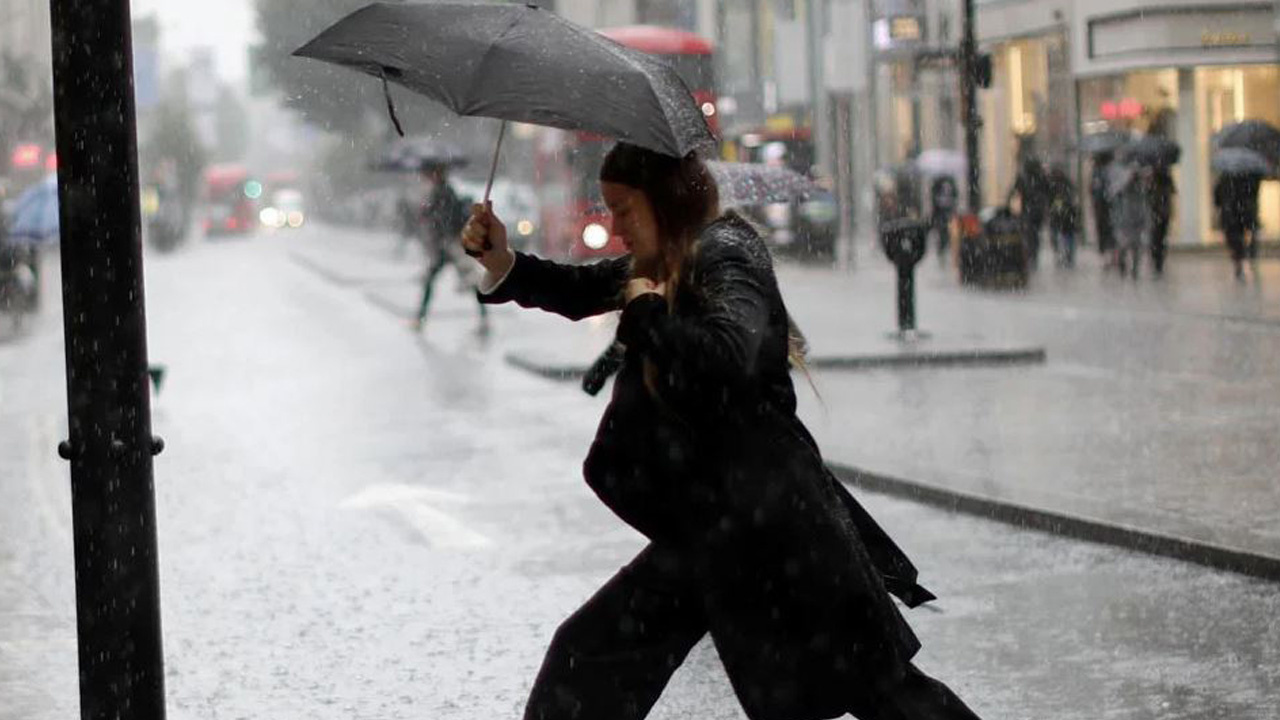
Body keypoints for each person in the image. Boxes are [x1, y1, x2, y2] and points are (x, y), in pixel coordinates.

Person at [460, 142, 982, 720]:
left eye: (624, 209)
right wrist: (502, 261)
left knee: (883, 690)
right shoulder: (669, 260)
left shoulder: (727, 254)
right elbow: (579, 287)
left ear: (665, 201)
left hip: (775, 529)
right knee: (587, 660)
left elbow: (728, 355)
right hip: (714, 523)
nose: (614, 227)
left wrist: (648, 317)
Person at [413, 162, 487, 333]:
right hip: (447, 246)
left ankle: (420, 319)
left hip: (451, 245)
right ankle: (420, 318)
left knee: (468, 281)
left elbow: (445, 217)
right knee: (434, 281)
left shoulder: (444, 191)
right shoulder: (442, 191)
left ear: (436, 174)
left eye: (429, 173)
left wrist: (430, 216)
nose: (427, 177)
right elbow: (439, 215)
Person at [1213, 172, 1262, 281]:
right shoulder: (1249, 178)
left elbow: (1217, 197)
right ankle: (1244, 255)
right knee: (1240, 235)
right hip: (1240, 213)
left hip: (1232, 214)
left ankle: (1240, 258)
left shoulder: (1225, 179)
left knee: (1234, 238)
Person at [1108, 158, 1150, 279]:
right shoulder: (1123, 186)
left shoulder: (1142, 187)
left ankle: (1135, 270)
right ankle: (1123, 264)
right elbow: (1114, 195)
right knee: (1124, 245)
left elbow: (1146, 202)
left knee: (1137, 247)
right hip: (1125, 220)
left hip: (1137, 220)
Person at [1007, 155, 1050, 267]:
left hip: (1028, 210)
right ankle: (1033, 255)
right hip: (1037, 210)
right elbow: (1048, 192)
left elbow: (1015, 192)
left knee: (1028, 233)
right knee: (1034, 234)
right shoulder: (1041, 176)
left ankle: (1030, 255)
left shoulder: (1023, 177)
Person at [1046, 164, 1079, 268]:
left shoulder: (1060, 184)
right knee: (1061, 236)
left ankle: (1067, 256)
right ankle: (1064, 256)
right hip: (1061, 216)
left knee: (1065, 236)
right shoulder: (1054, 185)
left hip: (1065, 215)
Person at [1090, 152, 1117, 268]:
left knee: (1104, 231)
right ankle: (1110, 255)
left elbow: (1093, 190)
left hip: (1103, 207)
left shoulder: (1098, 173)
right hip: (1108, 206)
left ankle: (1107, 256)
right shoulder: (1109, 172)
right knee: (1109, 230)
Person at [1147, 166, 1175, 275]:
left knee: (1156, 236)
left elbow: (1149, 196)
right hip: (1162, 214)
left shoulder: (1154, 183)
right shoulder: (1166, 181)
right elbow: (1173, 191)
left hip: (1157, 214)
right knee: (1161, 236)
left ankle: (1157, 258)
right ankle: (1159, 259)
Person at [929, 174, 959, 260]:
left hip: (948, 212)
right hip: (940, 212)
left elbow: (955, 197)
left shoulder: (952, 187)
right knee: (941, 230)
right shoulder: (937, 187)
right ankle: (941, 247)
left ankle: (944, 246)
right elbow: (934, 199)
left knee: (947, 230)